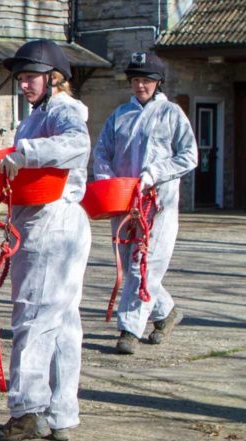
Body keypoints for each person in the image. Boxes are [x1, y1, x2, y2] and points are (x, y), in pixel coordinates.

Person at [0, 40, 92, 441]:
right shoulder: (35, 115)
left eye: (30, 77)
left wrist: (25, 153)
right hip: (48, 221)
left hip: (51, 222)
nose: (23, 85)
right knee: (63, 322)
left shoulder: (63, 110)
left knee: (32, 315)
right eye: (20, 78)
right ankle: (62, 412)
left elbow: (77, 144)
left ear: (53, 78)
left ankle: (28, 410)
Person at [91, 52, 197, 355]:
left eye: (146, 80)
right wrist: (108, 180)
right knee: (128, 265)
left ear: (157, 82)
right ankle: (166, 311)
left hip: (158, 204)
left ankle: (129, 330)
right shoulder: (119, 115)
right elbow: (102, 153)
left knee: (144, 264)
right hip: (123, 202)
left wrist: (156, 173)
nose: (140, 85)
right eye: (136, 79)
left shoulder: (172, 114)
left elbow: (189, 155)